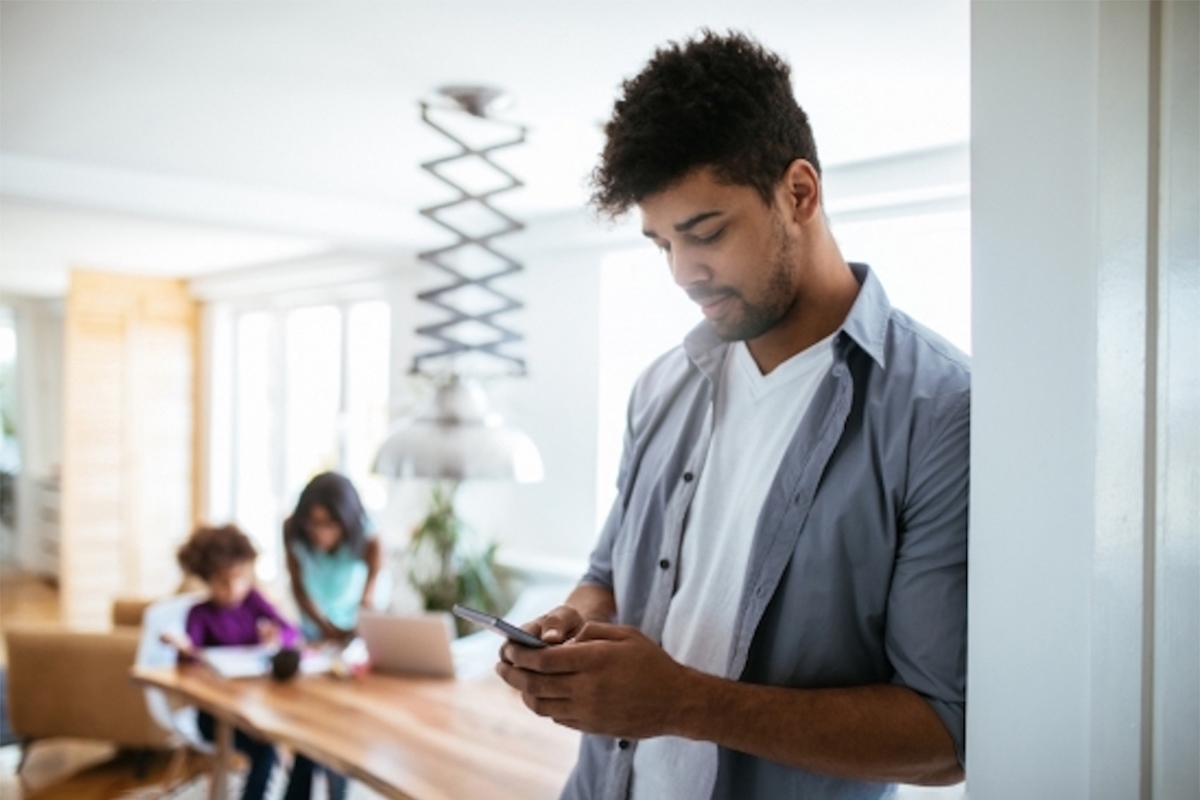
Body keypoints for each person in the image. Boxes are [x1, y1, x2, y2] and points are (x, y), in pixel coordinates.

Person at [495, 30, 969, 800]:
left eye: (706, 233)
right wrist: (563, 632)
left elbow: (944, 736)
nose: (684, 272)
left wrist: (685, 701)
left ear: (800, 193)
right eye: (662, 245)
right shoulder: (661, 386)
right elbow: (606, 577)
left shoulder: (941, 412)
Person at [281, 471, 387, 800]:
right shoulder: (293, 532)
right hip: (314, 633)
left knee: (339, 730)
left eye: (329, 524)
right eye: (313, 523)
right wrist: (325, 630)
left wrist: (351, 633)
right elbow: (299, 589)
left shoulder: (370, 540)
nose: (320, 532)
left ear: (348, 523)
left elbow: (369, 600)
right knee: (307, 726)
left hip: (352, 634)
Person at [176, 524, 299, 800]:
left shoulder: (253, 601)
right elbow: (188, 660)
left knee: (277, 742)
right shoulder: (199, 614)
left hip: (253, 708)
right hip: (214, 715)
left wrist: (277, 637)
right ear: (207, 580)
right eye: (223, 581)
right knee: (266, 750)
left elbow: (291, 632)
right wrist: (185, 650)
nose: (233, 588)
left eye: (240, 578)